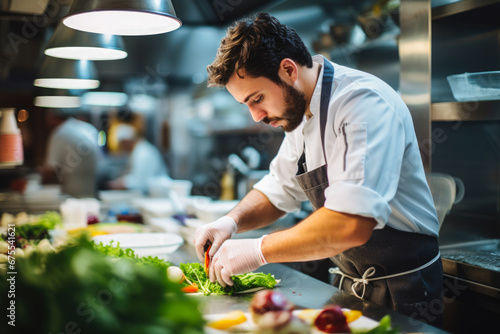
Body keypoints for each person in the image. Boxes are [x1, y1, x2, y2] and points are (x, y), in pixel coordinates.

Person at [194, 13, 443, 322]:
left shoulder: (361, 103)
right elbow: (276, 191)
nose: (256, 116)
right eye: (247, 104)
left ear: (288, 70)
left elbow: (349, 223)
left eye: (257, 98)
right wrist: (230, 223)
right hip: (350, 285)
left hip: (405, 288)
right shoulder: (300, 112)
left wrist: (257, 250)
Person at [41, 113, 102, 198]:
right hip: (92, 191)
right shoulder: (88, 128)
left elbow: (50, 170)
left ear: (52, 118)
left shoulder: (59, 133)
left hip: (72, 194)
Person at [106, 123, 169, 194]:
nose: (123, 147)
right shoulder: (138, 150)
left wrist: (123, 183)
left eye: (122, 144)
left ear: (127, 141)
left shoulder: (143, 153)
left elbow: (140, 180)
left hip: (158, 192)